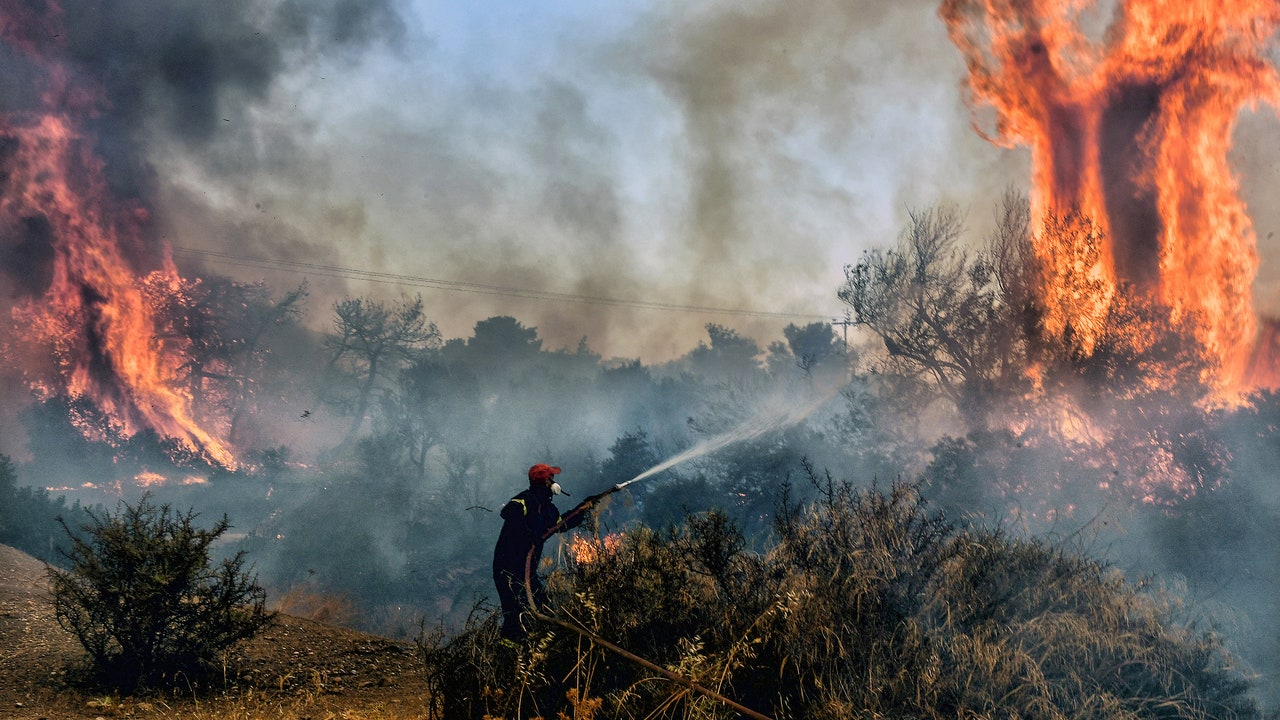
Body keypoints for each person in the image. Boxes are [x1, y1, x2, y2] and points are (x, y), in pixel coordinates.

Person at [492, 463, 589, 642]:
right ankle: (509, 651)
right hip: (506, 568)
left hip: (526, 570)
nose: (554, 481)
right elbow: (508, 512)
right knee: (513, 610)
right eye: (551, 478)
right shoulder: (525, 499)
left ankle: (539, 642)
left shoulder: (548, 509)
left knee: (542, 604)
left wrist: (582, 509)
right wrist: (529, 536)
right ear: (546, 482)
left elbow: (560, 524)